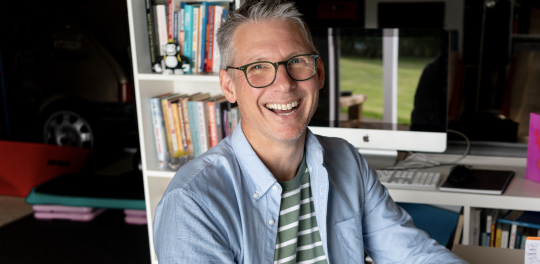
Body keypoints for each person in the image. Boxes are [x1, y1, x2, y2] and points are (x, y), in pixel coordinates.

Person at [152, 1, 467, 263]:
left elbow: (413, 254)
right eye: (258, 67)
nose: (285, 84)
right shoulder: (192, 203)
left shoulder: (345, 159)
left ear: (318, 74)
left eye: (297, 62)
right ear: (228, 86)